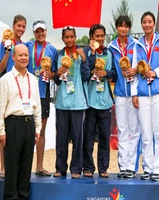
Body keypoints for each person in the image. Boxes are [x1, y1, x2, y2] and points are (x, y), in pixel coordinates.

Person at [132, 11, 159, 181]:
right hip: (143, 93)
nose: (147, 25)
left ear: (154, 23)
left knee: (158, 132)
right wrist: (135, 93)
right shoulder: (138, 45)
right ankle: (148, 168)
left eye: (150, 22)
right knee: (146, 132)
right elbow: (135, 71)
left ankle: (158, 169)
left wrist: (156, 73)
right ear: (141, 24)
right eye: (144, 22)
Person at [0, 44, 41, 199]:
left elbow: (37, 105)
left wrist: (38, 128)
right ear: (13, 57)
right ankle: (10, 197)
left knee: (26, 165)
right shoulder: (5, 79)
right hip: (13, 124)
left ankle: (23, 196)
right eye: (20, 55)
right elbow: (0, 107)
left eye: (26, 55)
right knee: (12, 164)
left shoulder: (33, 79)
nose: (23, 58)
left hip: (29, 124)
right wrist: (1, 131)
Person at [53, 26, 90, 179]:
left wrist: (85, 60)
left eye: (72, 37)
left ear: (75, 37)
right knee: (61, 138)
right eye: (66, 37)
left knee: (77, 138)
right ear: (63, 39)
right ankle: (60, 168)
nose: (69, 39)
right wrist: (58, 73)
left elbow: (86, 76)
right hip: (62, 102)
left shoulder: (82, 52)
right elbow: (56, 80)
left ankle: (76, 168)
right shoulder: (59, 54)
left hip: (78, 102)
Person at [82, 24, 117, 178]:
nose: (100, 39)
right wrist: (92, 54)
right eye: (97, 36)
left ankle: (103, 168)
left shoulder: (109, 53)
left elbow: (115, 75)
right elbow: (85, 73)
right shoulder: (86, 52)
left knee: (104, 137)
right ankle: (88, 167)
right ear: (91, 37)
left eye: (102, 35)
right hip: (90, 101)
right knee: (88, 137)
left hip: (105, 102)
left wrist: (107, 73)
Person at [108, 15, 140, 179]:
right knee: (122, 130)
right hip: (120, 93)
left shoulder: (135, 45)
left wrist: (134, 71)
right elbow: (111, 70)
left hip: (134, 94)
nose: (123, 29)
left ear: (129, 28)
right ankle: (123, 166)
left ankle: (132, 166)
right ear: (116, 27)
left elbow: (140, 67)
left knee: (134, 131)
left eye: (126, 26)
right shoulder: (111, 46)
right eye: (120, 26)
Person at [0, 14, 26, 178]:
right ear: (13, 26)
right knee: (4, 127)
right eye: (18, 26)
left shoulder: (24, 45)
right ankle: (3, 166)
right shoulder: (4, 42)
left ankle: (16, 165)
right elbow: (0, 68)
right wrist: (8, 50)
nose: (20, 29)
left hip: (20, 88)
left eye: (23, 27)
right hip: (6, 85)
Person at [27, 19, 58, 176]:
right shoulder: (28, 46)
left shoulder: (52, 49)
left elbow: (55, 74)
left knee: (41, 131)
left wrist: (50, 75)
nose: (40, 33)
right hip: (27, 93)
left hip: (43, 93)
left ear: (46, 31)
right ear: (34, 33)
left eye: (42, 31)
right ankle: (25, 165)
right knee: (26, 130)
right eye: (37, 31)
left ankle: (39, 165)